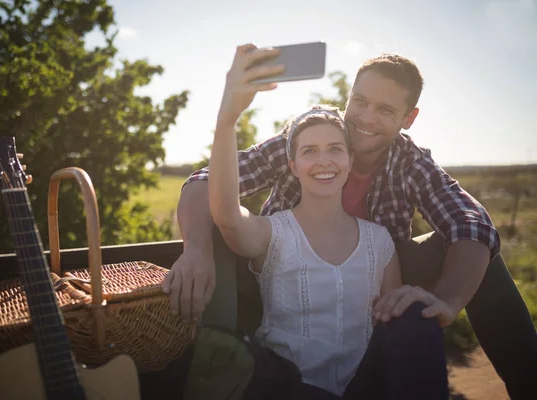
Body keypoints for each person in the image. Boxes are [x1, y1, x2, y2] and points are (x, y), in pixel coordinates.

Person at [162, 44, 537, 399]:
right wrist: (196, 249)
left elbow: (471, 222)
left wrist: (448, 300)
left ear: (409, 118)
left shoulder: (411, 162)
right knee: (219, 240)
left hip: (372, 279)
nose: (366, 118)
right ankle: (224, 365)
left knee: (476, 251)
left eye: (386, 110)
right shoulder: (316, 134)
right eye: (359, 101)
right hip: (282, 275)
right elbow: (206, 183)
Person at [204, 43, 450, 399]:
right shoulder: (273, 233)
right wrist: (228, 119)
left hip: (362, 387)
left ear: (350, 161)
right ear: (293, 166)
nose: (324, 161)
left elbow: (391, 324)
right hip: (286, 386)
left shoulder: (380, 242)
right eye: (309, 151)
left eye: (335, 149)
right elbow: (226, 213)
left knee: (413, 318)